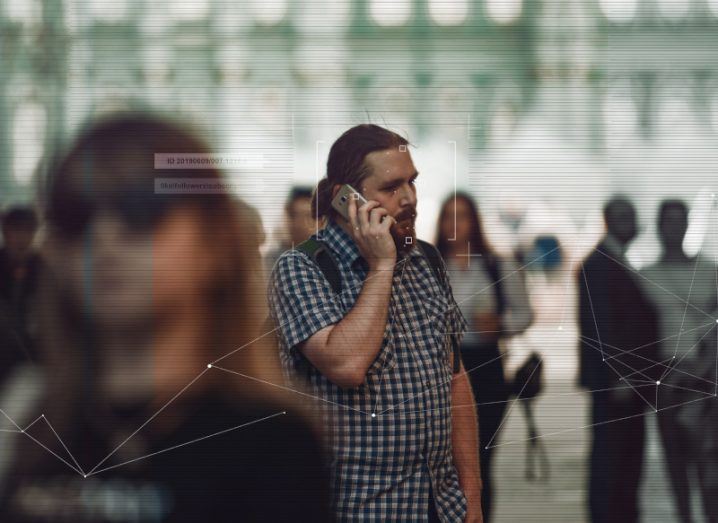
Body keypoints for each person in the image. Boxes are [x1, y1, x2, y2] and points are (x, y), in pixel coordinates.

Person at [0, 114, 331, 522]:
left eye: (142, 207)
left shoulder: (271, 442)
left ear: (212, 242)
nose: (103, 235)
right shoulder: (26, 424)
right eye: (75, 214)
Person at [268, 124, 483, 522]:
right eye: (391, 188)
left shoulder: (426, 260)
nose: (410, 199)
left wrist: (471, 496)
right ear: (344, 199)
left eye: (412, 183)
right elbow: (347, 365)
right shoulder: (302, 268)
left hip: (441, 506)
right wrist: (381, 265)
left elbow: (454, 377)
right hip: (360, 509)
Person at [435, 192, 533, 522]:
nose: (454, 223)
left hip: (486, 367)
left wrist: (500, 324)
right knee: (441, 458)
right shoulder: (429, 267)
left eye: (462, 215)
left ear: (474, 221)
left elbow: (524, 313)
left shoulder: (495, 264)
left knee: (479, 458)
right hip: (440, 369)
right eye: (448, 215)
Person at [577, 196, 659, 523]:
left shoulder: (616, 259)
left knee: (624, 459)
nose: (632, 220)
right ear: (608, 220)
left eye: (633, 213)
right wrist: (619, 376)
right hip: (617, 385)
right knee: (613, 461)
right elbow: (603, 328)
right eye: (624, 215)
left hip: (626, 383)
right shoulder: (599, 264)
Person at [639, 199, 718, 522]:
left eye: (679, 220)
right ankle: (685, 515)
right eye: (667, 221)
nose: (674, 227)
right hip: (667, 375)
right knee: (674, 456)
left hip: (707, 375)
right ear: (658, 227)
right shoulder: (646, 275)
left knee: (709, 458)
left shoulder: (710, 271)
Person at [0, 206, 42, 377]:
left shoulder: (42, 269)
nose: (22, 238)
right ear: (5, 232)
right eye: (16, 230)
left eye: (28, 230)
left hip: (32, 361)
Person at [264, 186, 318, 276]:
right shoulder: (271, 258)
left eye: (307, 216)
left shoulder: (325, 257)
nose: (299, 223)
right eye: (294, 215)